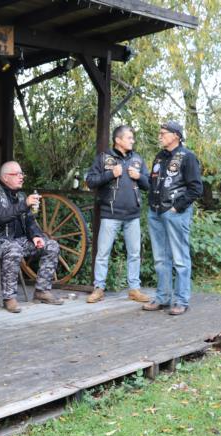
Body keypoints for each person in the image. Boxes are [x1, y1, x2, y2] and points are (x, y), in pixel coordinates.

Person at [0, 161, 64, 313]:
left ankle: (42, 291)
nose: (21, 177)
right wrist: (24, 204)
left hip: (18, 240)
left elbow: (30, 221)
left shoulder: (21, 195)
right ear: (5, 177)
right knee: (13, 249)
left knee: (51, 246)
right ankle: (9, 298)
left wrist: (36, 236)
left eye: (21, 174)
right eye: (17, 174)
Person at [85, 125, 151, 304]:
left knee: (135, 254)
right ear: (118, 140)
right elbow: (90, 181)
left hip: (133, 215)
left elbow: (149, 185)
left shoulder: (137, 159)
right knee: (102, 254)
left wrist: (139, 176)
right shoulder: (103, 158)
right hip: (110, 214)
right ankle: (99, 289)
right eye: (129, 138)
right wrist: (110, 174)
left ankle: (134, 290)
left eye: (132, 138)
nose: (132, 141)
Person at [143, 121, 203, 315]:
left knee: (180, 259)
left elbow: (196, 188)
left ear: (176, 135)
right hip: (156, 213)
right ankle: (162, 298)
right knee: (160, 259)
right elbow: (152, 183)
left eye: (163, 133)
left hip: (175, 213)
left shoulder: (188, 157)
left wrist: (177, 207)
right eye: (159, 133)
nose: (160, 136)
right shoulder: (159, 157)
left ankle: (181, 300)